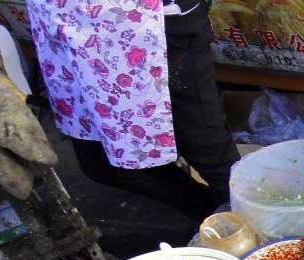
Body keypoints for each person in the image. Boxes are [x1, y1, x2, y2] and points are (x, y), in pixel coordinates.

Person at [26, 0, 240, 222]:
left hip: (148, 26)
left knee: (209, 151)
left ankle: (254, 235)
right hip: (65, 29)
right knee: (100, 163)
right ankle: (214, 219)